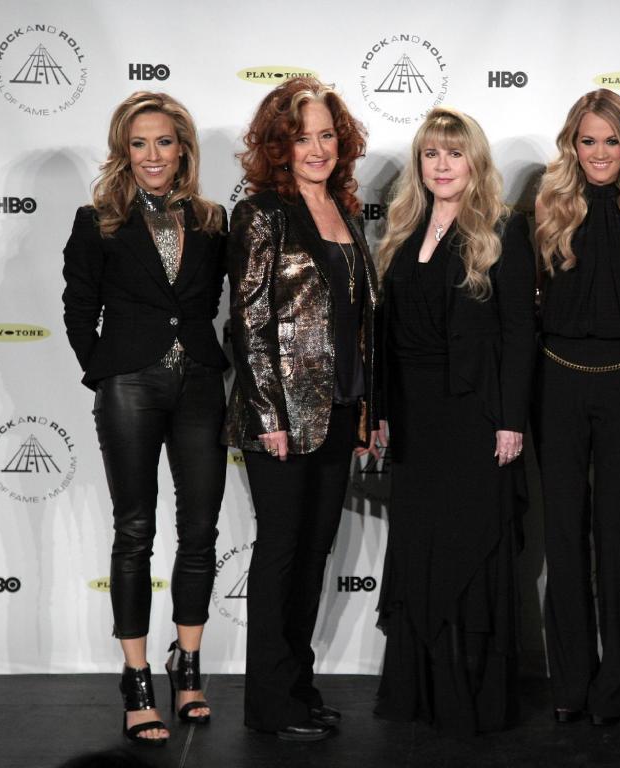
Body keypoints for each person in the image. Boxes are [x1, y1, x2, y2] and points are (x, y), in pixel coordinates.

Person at [62, 92, 228, 745]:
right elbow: (79, 309)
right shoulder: (97, 219)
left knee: (201, 529)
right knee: (135, 530)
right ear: (122, 150)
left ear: (182, 148)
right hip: (130, 382)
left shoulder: (215, 220)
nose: (152, 155)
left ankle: (187, 668)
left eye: (163, 142)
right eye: (139, 143)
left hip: (201, 384)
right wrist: (106, 367)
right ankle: (135, 682)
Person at [223, 76, 378, 743]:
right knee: (281, 553)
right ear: (277, 145)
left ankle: (297, 687)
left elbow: (357, 324)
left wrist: (367, 411)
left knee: (314, 554)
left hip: (340, 411)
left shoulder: (345, 209)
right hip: (283, 417)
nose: (317, 148)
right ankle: (269, 703)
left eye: (326, 135)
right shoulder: (262, 214)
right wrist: (267, 416)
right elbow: (249, 324)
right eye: (302, 137)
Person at [373, 107, 535, 736]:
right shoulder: (404, 230)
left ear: (475, 162)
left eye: (454, 153)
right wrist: (383, 410)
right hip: (414, 419)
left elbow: (520, 331)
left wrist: (510, 419)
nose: (442, 166)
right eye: (431, 154)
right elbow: (388, 333)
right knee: (420, 549)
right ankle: (422, 693)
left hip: (474, 414)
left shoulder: (500, 231)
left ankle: (471, 696)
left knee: (469, 545)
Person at [533, 90, 620, 726]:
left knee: (618, 538)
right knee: (563, 534)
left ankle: (613, 685)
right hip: (557, 383)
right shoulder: (546, 205)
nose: (599, 154)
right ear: (572, 145)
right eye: (587, 140)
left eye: (611, 141)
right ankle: (570, 683)